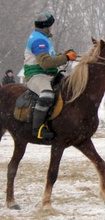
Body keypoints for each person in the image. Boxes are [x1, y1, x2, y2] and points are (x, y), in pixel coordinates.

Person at [24, 12, 77, 140]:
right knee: (47, 94)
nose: (52, 28)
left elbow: (50, 58)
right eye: (51, 26)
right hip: (36, 75)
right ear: (46, 26)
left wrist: (63, 55)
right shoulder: (39, 40)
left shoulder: (42, 38)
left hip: (48, 75)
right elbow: (45, 63)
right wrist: (65, 57)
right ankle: (38, 129)